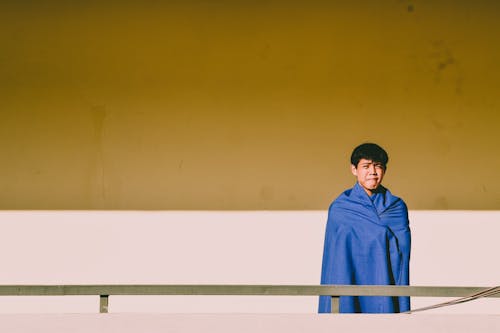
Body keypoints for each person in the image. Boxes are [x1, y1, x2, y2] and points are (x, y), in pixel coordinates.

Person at [318, 143, 411, 313]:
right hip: (347, 280)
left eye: (378, 166)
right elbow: (335, 259)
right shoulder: (340, 208)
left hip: (383, 279)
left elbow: (402, 257)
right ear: (354, 169)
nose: (373, 172)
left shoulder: (396, 207)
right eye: (366, 166)